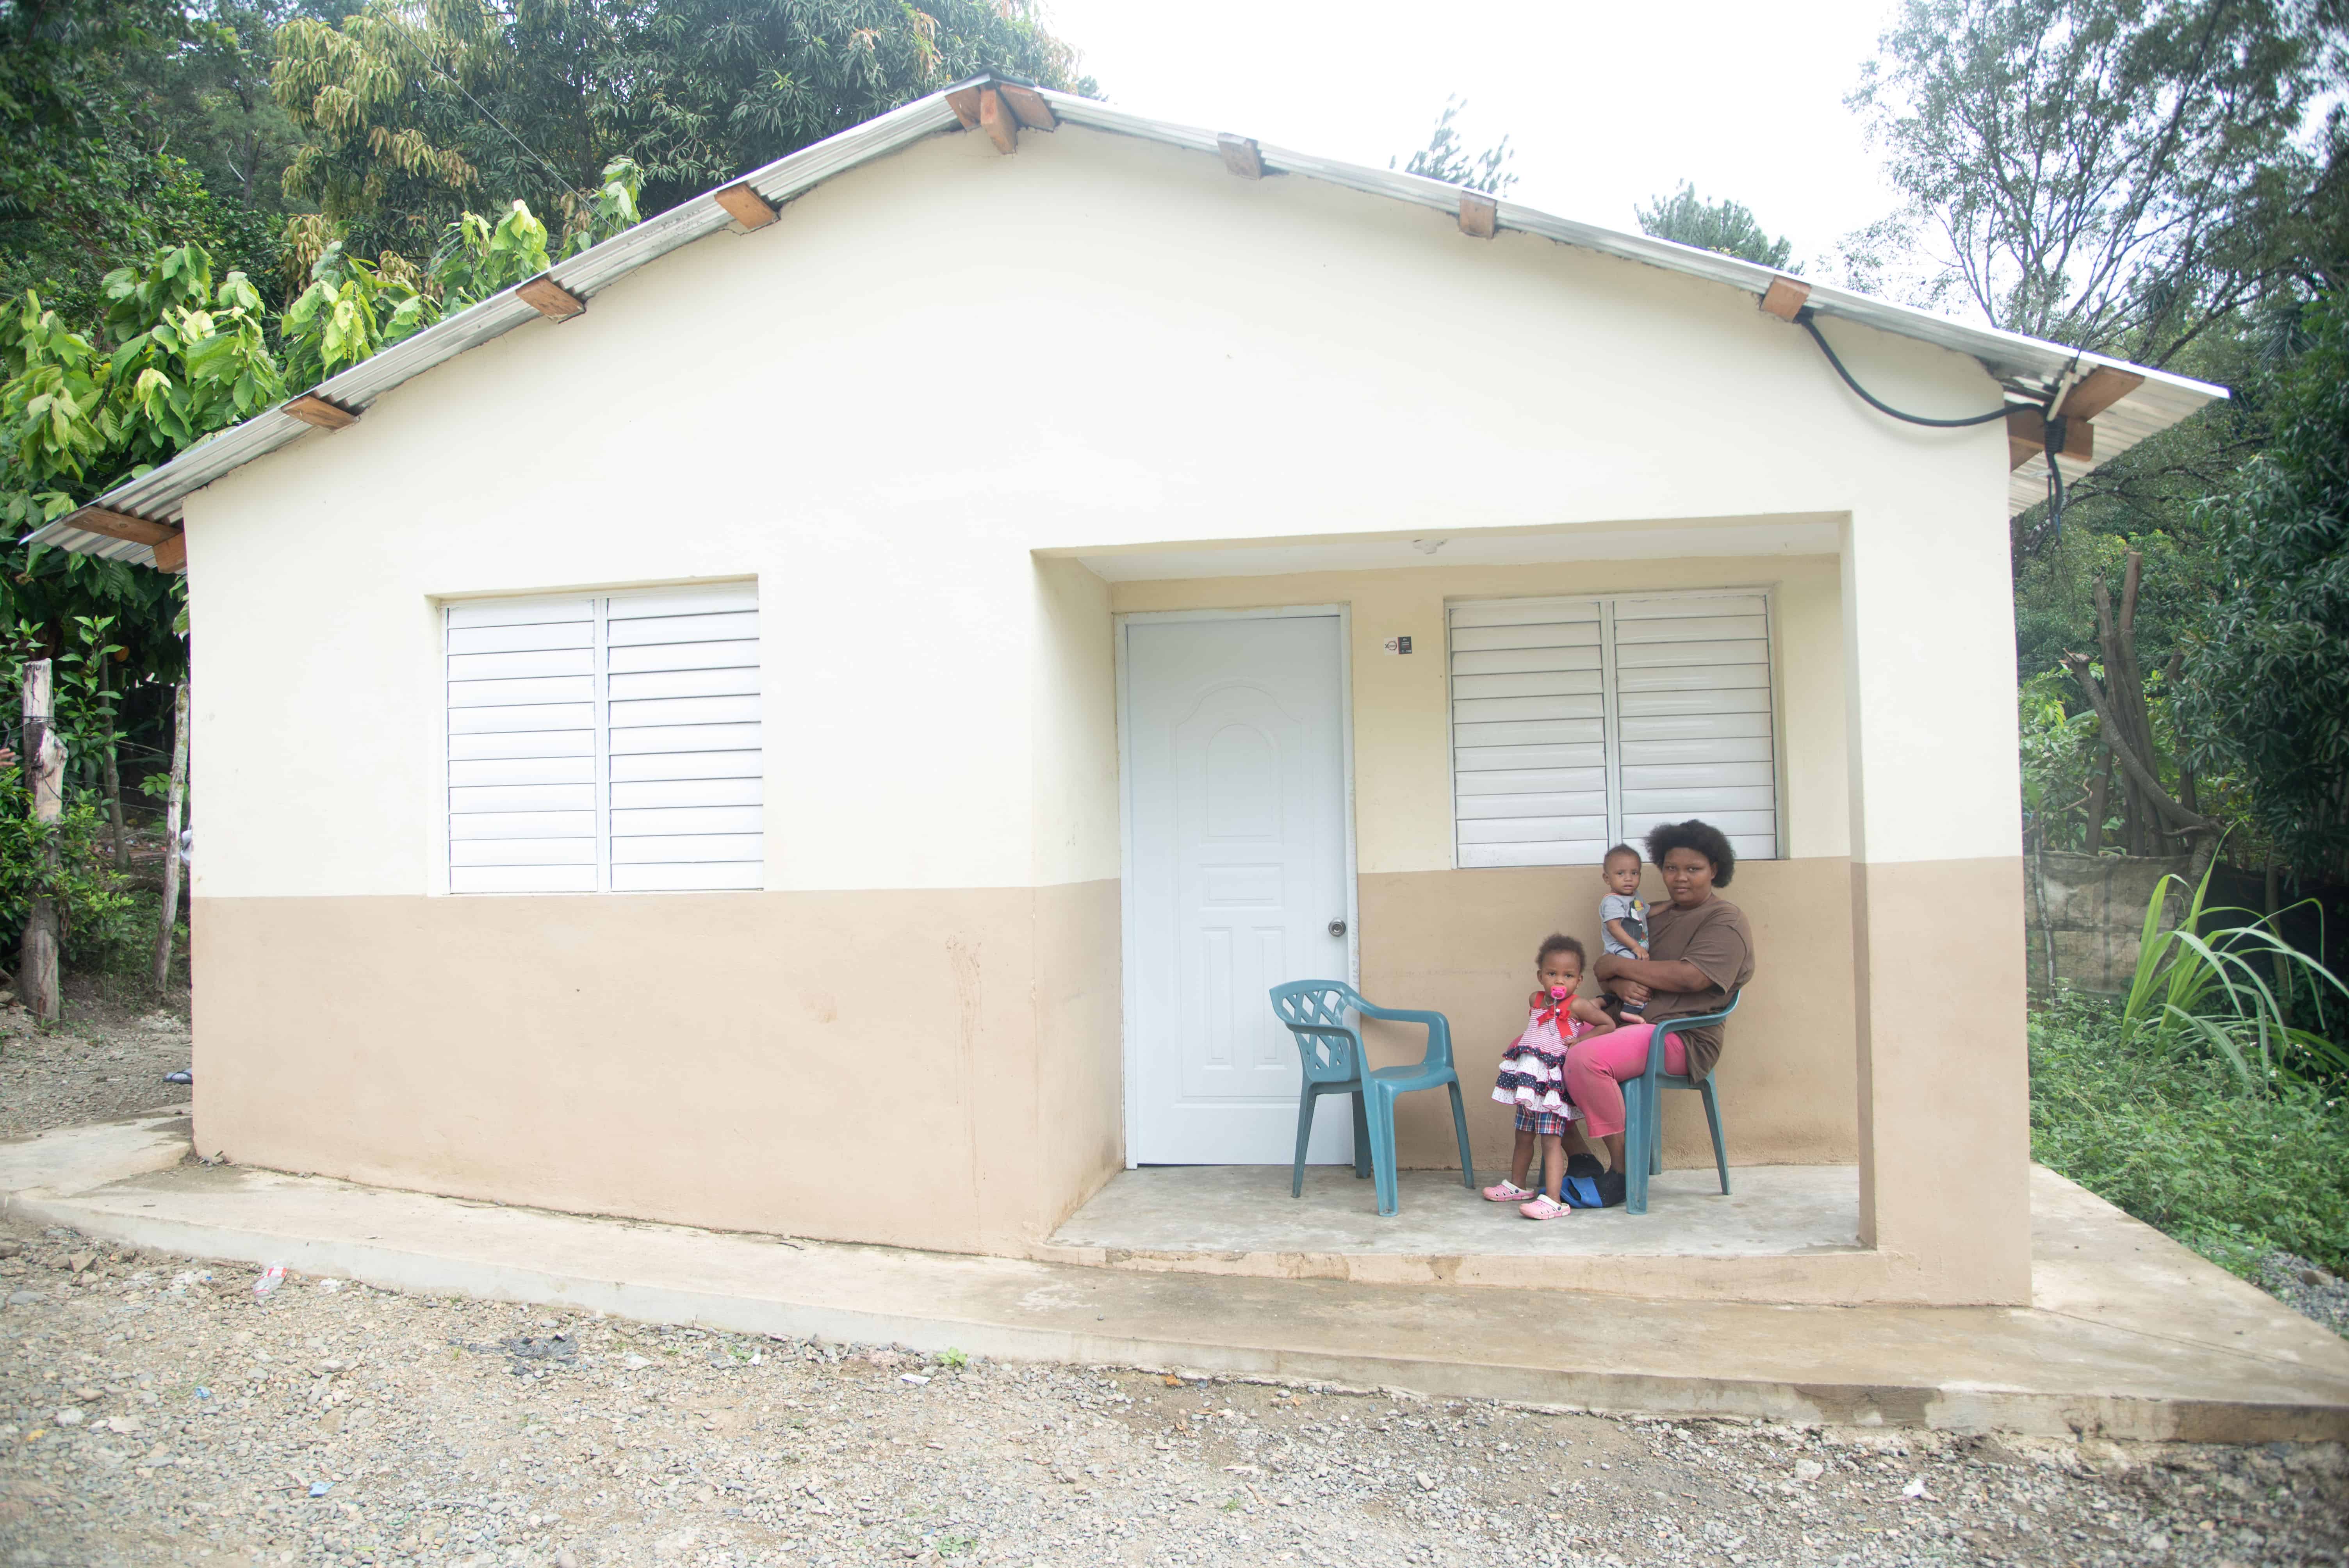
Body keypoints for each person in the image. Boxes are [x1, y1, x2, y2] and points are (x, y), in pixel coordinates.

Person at [1573, 820, 1756, 1176]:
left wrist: (1616, 967)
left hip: (1681, 1036)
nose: (1680, 878)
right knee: (1535, 1050)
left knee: (1585, 1059)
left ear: (1714, 870)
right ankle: (1581, 1161)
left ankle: (1624, 1171)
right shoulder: (1647, 915)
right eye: (1671, 868)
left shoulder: (1725, 920)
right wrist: (1618, 984)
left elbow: (1691, 977)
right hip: (1627, 1021)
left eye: (1693, 869)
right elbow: (1608, 970)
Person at [1481, 934, 1616, 1220]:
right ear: (1540, 976)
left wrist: (1581, 1040)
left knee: (1551, 1141)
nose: (1559, 981)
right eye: (1552, 974)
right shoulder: (1536, 1000)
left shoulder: (1578, 1006)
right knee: (1523, 1135)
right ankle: (1518, 1185)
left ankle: (1553, 1200)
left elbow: (1607, 1024)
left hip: (1551, 1086)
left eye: (1568, 976)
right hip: (1529, 1083)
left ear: (1579, 980)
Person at [1597, 844, 1649, 1020]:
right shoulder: (1613, 901)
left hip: (1634, 950)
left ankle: (1601, 1001)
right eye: (1621, 874)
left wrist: (1670, 905)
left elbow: (1646, 913)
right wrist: (1635, 947)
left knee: (1629, 982)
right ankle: (1630, 1011)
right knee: (1640, 978)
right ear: (1607, 878)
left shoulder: (1635, 896)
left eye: (1634, 873)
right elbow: (1614, 927)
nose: (1628, 879)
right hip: (1621, 950)